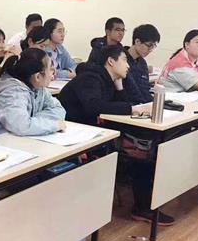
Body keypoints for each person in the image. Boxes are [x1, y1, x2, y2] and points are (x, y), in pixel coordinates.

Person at [0, 49, 131, 241]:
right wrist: (52, 125)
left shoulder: (37, 89)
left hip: (31, 155)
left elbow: (58, 109)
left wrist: (43, 123)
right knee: (54, 192)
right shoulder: (12, 92)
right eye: (50, 68)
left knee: (68, 182)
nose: (54, 72)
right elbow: (22, 125)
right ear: (37, 76)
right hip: (5, 165)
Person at [58, 45, 166, 225]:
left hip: (94, 130)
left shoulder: (109, 79)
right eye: (124, 60)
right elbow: (94, 106)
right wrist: (132, 109)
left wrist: (120, 87)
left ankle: (144, 205)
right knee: (140, 150)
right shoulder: (91, 78)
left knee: (144, 145)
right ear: (110, 61)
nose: (128, 65)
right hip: (73, 133)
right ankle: (142, 207)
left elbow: (118, 107)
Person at [123, 24, 160, 105]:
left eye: (153, 46)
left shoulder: (142, 63)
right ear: (137, 42)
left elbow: (145, 89)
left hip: (142, 105)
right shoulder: (120, 59)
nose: (150, 50)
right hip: (127, 105)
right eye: (149, 45)